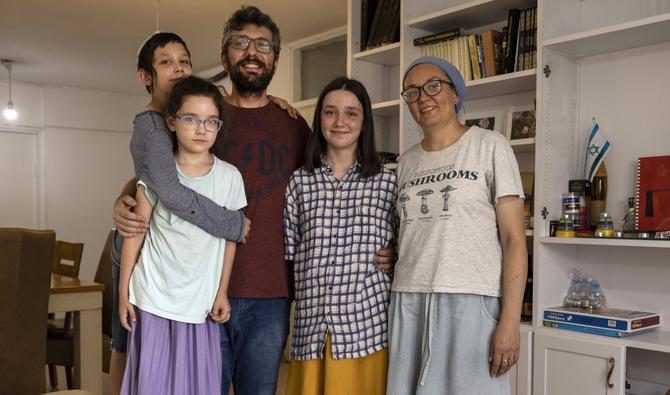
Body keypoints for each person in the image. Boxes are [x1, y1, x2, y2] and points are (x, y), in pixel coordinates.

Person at [110, 31, 297, 395]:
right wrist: (233, 223)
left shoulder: (229, 130)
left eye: (184, 61)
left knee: (196, 378)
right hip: (154, 280)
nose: (178, 68)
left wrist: (275, 104)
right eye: (166, 62)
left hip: (213, 290)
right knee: (136, 360)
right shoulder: (150, 123)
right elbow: (166, 188)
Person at [386, 56, 528, 394]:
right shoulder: (404, 163)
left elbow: (514, 240)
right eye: (412, 92)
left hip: (471, 299)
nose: (423, 97)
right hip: (408, 298)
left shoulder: (490, 146)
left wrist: (510, 320)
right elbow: (407, 234)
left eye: (433, 86)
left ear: (455, 94)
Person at [119, 76, 246, 394]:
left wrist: (222, 292)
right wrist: (123, 292)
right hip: (152, 297)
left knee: (196, 386)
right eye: (191, 119)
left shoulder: (230, 177)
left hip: (199, 304)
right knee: (152, 384)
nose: (202, 129)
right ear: (172, 122)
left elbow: (230, 240)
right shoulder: (157, 175)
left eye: (211, 121)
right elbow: (135, 235)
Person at [283, 76, 396, 394]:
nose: (340, 121)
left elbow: (408, 246)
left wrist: (396, 255)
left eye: (351, 113)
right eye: (330, 112)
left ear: (365, 121)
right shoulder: (299, 183)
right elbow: (289, 254)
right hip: (311, 333)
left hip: (365, 333)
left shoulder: (387, 184)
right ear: (319, 119)